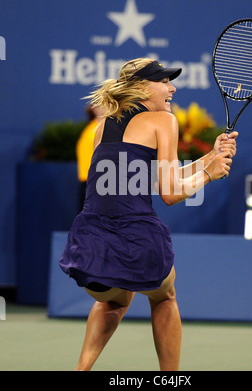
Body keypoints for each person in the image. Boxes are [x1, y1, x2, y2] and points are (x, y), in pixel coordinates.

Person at [59, 58, 238, 371]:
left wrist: (210, 156)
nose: (173, 88)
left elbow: (155, 179)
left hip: (87, 246)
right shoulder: (163, 122)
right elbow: (170, 193)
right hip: (137, 242)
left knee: (113, 300)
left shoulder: (103, 126)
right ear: (142, 88)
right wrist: (210, 173)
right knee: (165, 297)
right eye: (164, 82)